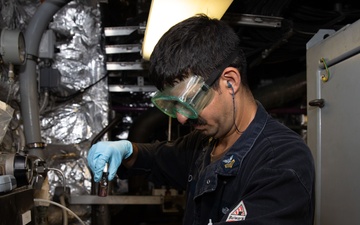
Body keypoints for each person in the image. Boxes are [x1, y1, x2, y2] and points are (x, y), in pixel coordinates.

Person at [87, 14, 315, 225]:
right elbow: (156, 159)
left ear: (230, 81)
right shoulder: (203, 144)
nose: (182, 118)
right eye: (173, 105)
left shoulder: (282, 160)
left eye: (189, 102)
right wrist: (127, 152)